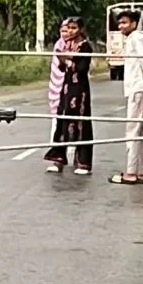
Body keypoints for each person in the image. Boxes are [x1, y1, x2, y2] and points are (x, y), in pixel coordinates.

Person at [110, 10, 143, 185]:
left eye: (124, 23)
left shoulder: (136, 38)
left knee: (133, 130)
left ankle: (131, 172)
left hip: (140, 87)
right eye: (119, 23)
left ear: (134, 23)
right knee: (141, 131)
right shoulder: (136, 38)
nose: (121, 26)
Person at [44, 17, 94, 175]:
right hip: (66, 88)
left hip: (80, 89)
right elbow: (61, 67)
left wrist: (68, 60)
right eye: (68, 28)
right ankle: (58, 159)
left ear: (80, 29)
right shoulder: (66, 45)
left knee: (81, 122)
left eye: (74, 28)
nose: (70, 31)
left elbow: (82, 68)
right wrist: (62, 59)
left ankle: (83, 162)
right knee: (62, 121)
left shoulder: (85, 46)